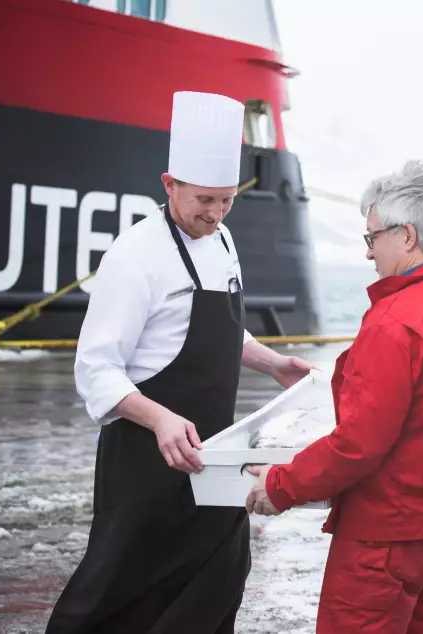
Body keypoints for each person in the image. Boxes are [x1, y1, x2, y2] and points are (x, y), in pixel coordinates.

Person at [45, 91, 313, 634]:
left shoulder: (223, 240)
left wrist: (270, 362)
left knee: (218, 584)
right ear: (169, 185)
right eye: (204, 201)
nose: (215, 215)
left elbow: (217, 329)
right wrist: (160, 418)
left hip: (215, 457)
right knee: (114, 593)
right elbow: (95, 370)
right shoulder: (133, 257)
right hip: (144, 462)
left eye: (227, 200)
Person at [245, 160, 423, 633]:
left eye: (372, 237)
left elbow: (360, 442)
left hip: (388, 534)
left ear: (407, 236)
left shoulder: (395, 322)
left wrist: (281, 485)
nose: (369, 253)